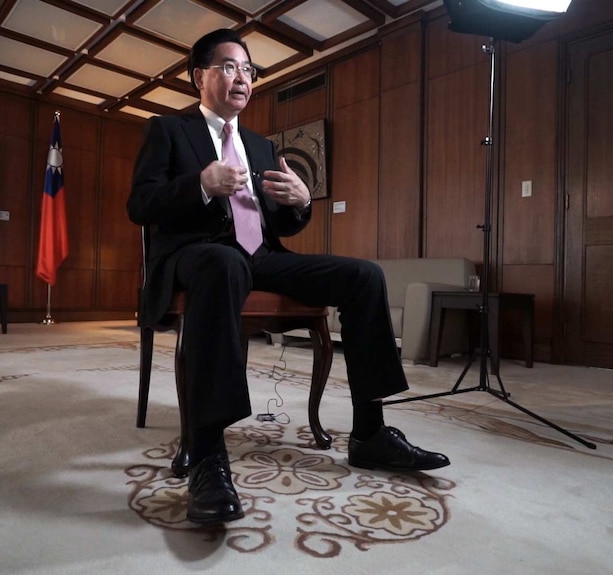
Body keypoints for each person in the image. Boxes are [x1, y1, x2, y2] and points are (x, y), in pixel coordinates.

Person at [127, 29, 450, 526]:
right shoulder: (169, 130)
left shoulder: (258, 144)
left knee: (364, 275)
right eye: (230, 66)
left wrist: (299, 204)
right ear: (200, 77)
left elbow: (277, 223)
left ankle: (370, 432)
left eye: (249, 70)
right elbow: (140, 205)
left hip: (260, 256)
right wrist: (199, 185)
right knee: (223, 262)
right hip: (196, 256)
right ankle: (209, 453)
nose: (243, 78)